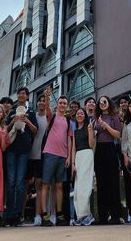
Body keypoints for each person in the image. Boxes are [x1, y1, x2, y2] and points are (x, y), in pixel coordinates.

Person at [4, 86, 38, 227]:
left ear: (27, 96)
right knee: (11, 182)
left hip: (24, 150)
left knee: (20, 182)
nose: (21, 95)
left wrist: (26, 120)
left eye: (24, 93)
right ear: (17, 96)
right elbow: (4, 130)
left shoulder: (31, 111)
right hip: (11, 149)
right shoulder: (12, 111)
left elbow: (35, 131)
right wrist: (13, 120)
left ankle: (18, 214)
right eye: (19, 93)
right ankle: (9, 214)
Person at [40, 94, 73, 226]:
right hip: (49, 153)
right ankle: (44, 216)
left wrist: (69, 156)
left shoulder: (68, 121)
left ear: (67, 106)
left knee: (59, 185)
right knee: (46, 184)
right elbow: (47, 108)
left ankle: (59, 215)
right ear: (57, 104)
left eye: (65, 103)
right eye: (61, 103)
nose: (63, 105)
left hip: (63, 156)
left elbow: (69, 140)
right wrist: (47, 97)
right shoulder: (52, 117)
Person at [94, 95, 122, 225]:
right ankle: (103, 217)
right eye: (100, 103)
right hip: (99, 150)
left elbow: (118, 135)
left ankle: (115, 216)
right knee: (101, 184)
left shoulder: (114, 117)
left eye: (104, 102)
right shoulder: (96, 118)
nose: (102, 104)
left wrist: (106, 126)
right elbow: (95, 135)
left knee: (113, 183)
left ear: (109, 103)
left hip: (110, 149)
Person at [26, 90, 49, 226]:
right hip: (29, 155)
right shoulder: (32, 116)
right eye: (39, 101)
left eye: (43, 101)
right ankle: (20, 215)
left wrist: (48, 95)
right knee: (25, 184)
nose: (41, 103)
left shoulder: (48, 117)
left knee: (39, 186)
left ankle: (38, 216)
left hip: (42, 156)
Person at [72, 107, 95, 226]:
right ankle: (80, 215)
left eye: (82, 113)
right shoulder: (75, 131)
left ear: (85, 116)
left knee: (85, 186)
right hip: (78, 157)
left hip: (87, 154)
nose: (80, 115)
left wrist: (91, 131)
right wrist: (73, 164)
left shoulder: (88, 127)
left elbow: (91, 145)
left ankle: (87, 215)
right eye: (78, 113)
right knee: (78, 187)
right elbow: (74, 148)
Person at [118, 95, 131, 221]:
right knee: (127, 183)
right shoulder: (118, 117)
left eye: (125, 102)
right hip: (121, 152)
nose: (123, 104)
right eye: (121, 103)